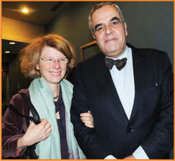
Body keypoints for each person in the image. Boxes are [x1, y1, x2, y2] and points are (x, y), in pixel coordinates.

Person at [71, 2, 173, 159]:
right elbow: (79, 125)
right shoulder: (82, 72)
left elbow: (170, 115)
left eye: (114, 22)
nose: (108, 31)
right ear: (94, 36)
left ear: (125, 27)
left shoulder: (158, 61)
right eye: (100, 27)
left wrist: (139, 156)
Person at [2, 34, 92, 159]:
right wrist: (24, 141)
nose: (56, 65)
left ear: (68, 63)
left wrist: (93, 123)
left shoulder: (77, 95)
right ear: (37, 64)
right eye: (49, 59)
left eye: (62, 59)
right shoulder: (21, 101)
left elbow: (92, 138)